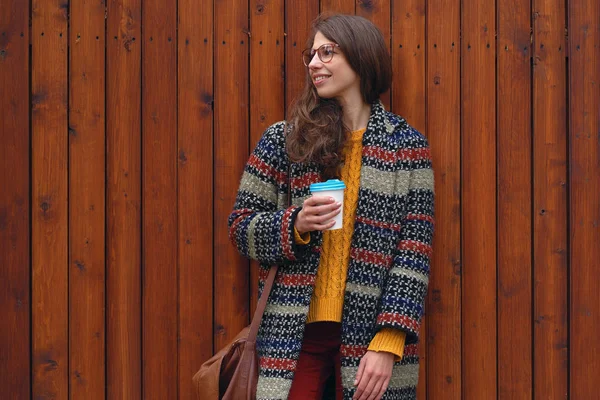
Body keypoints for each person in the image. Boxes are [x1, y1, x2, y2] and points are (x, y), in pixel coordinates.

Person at [228, 13, 434, 400]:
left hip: (371, 338)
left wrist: (389, 341)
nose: (313, 64)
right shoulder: (285, 140)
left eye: (327, 52)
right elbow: (241, 227)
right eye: (311, 54)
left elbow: (414, 252)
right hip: (292, 336)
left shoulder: (407, 147)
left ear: (360, 58)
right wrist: (296, 223)